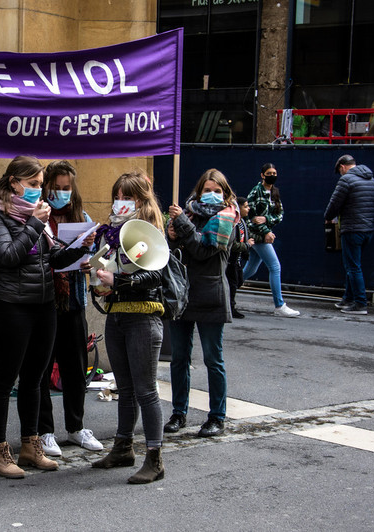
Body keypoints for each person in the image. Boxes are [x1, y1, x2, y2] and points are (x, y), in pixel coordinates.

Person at [0, 156, 94, 478]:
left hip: (44, 306)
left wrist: (79, 248)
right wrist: (34, 223)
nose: (37, 191)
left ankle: (31, 444)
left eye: (38, 185)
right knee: (5, 380)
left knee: (35, 380)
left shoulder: (37, 217)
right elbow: (7, 255)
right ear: (14, 182)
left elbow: (52, 259)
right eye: (32, 184)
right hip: (11, 306)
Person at [88, 170, 167, 484]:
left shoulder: (148, 232)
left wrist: (117, 280)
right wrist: (98, 277)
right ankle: (123, 447)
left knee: (146, 391)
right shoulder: (113, 233)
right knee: (125, 389)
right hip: (117, 315)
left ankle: (155, 458)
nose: (120, 202)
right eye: (117, 196)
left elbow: (154, 276)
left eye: (127, 197)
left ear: (141, 199)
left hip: (142, 318)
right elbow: (109, 270)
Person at [164, 168, 239, 438]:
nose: (211, 195)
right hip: (183, 296)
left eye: (216, 190)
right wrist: (170, 236)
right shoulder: (187, 215)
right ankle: (178, 412)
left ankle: (217, 417)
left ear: (225, 193)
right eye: (207, 190)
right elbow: (172, 253)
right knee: (179, 358)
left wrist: (181, 226)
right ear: (198, 191)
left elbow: (202, 250)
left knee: (212, 359)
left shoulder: (226, 219)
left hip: (211, 295)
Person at [36, 160, 103, 457]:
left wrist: (89, 263)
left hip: (73, 301)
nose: (61, 193)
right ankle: (44, 431)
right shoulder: (38, 217)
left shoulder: (81, 216)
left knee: (75, 369)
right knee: (41, 370)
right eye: (56, 188)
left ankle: (76, 428)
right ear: (46, 186)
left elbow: (93, 257)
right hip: (45, 302)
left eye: (66, 189)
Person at [242, 163, 300, 317]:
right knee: (275, 266)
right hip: (257, 236)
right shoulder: (255, 192)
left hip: (264, 235)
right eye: (269, 172)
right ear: (262, 175)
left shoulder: (275, 192)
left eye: (274, 172)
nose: (272, 175)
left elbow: (279, 215)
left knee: (251, 269)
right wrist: (266, 231)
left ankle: (227, 290)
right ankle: (279, 305)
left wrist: (266, 220)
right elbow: (251, 218)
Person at [324, 154, 374, 315]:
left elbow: (334, 204)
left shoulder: (346, 180)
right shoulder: (370, 179)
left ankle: (360, 303)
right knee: (354, 265)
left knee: (353, 267)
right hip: (368, 229)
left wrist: (327, 217)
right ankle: (348, 298)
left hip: (352, 228)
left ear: (342, 167)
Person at [227, 197, 253, 318]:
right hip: (231, 260)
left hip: (237, 260)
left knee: (238, 281)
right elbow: (232, 244)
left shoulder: (242, 222)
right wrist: (247, 245)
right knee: (232, 283)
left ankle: (229, 303)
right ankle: (230, 307)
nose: (248, 209)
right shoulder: (234, 223)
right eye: (246, 206)